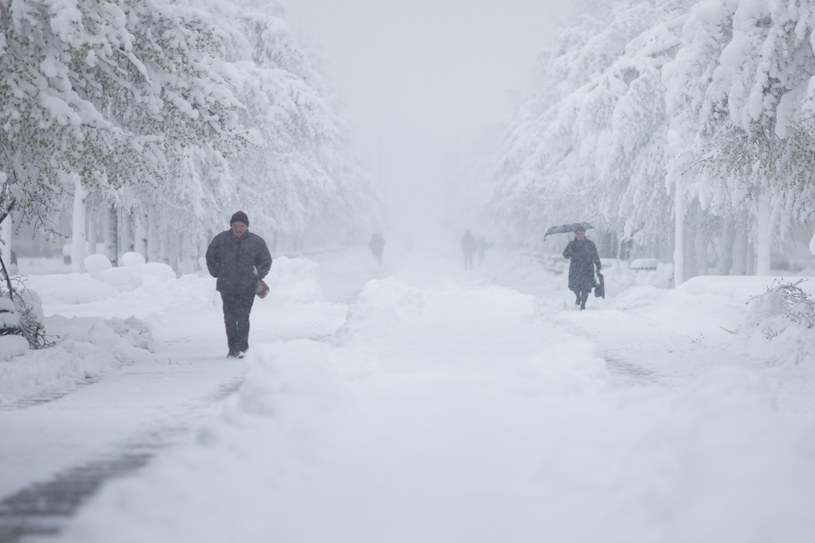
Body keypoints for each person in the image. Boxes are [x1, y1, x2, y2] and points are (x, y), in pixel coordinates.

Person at [206, 211, 272, 358]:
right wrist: (216, 271)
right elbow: (210, 256)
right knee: (229, 318)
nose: (238, 229)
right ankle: (233, 349)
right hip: (227, 286)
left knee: (243, 317)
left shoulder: (257, 242)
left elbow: (266, 261)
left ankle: (243, 348)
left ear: (246, 226)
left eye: (241, 225)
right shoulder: (221, 240)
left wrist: (258, 274)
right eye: (235, 225)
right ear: (231, 226)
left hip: (247, 286)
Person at [562, 226, 601, 310]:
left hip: (587, 269)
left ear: (584, 233)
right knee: (574, 286)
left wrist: (598, 266)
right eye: (578, 233)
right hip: (575, 269)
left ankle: (583, 304)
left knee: (586, 288)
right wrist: (569, 250)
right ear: (575, 234)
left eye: (582, 233)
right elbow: (565, 255)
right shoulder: (571, 244)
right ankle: (578, 297)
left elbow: (595, 256)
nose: (580, 235)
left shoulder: (590, 244)